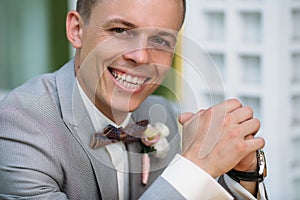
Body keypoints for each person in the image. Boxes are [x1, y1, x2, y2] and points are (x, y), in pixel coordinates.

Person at [0, 0, 268, 199]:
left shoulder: (164, 115)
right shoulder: (19, 126)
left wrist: (242, 174)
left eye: (161, 40)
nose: (141, 56)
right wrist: (195, 166)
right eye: (120, 30)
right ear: (77, 30)